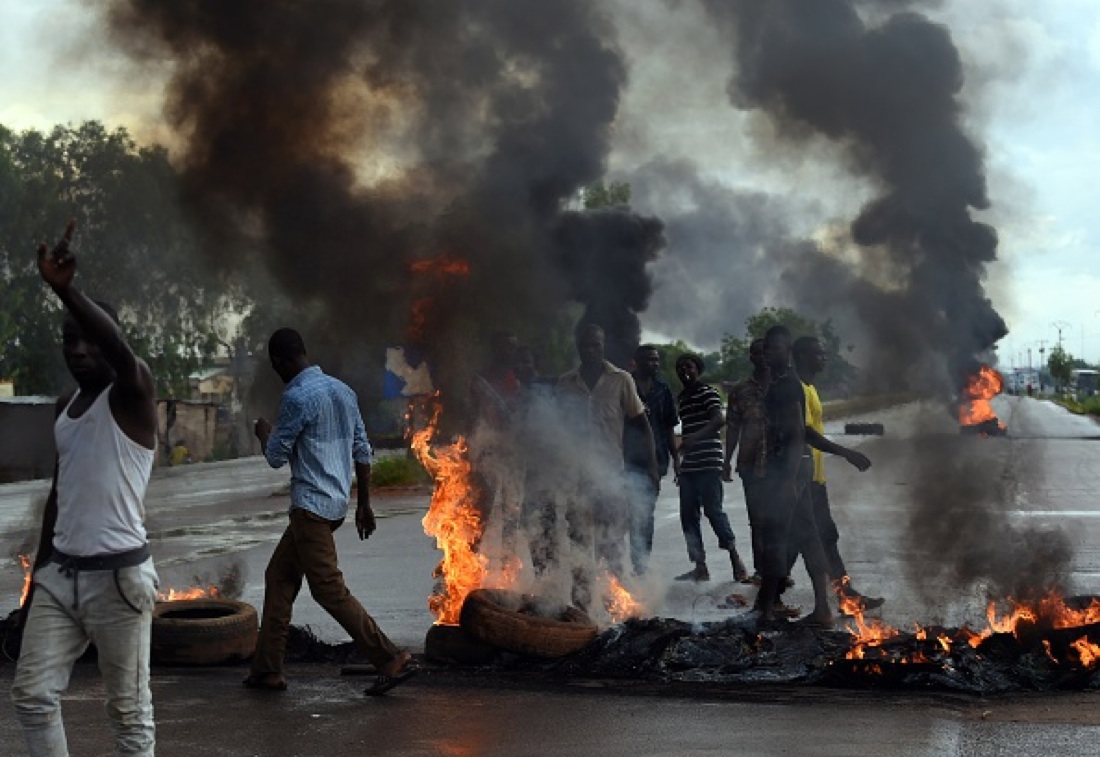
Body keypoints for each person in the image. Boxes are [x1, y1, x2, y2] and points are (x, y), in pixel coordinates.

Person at [12, 221, 160, 756]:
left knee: (129, 714)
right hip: (60, 579)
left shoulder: (132, 396)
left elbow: (118, 349)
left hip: (120, 580)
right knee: (31, 696)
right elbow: (59, 496)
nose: (77, 351)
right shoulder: (64, 409)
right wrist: (34, 591)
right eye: (68, 342)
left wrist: (65, 291)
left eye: (87, 341)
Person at [247, 328, 415, 696]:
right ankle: (267, 670)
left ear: (279, 360)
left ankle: (387, 656)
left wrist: (264, 432)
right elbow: (362, 449)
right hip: (335, 505)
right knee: (279, 577)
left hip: (311, 509)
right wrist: (364, 504)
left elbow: (275, 456)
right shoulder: (343, 391)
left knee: (328, 590)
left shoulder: (295, 396)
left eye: (274, 365)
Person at [557, 324, 657, 609]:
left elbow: (641, 423)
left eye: (596, 345)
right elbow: (557, 428)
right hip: (576, 477)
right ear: (578, 346)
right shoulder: (566, 383)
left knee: (611, 543)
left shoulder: (622, 380)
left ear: (603, 346)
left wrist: (651, 466)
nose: (590, 350)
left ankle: (617, 606)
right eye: (585, 345)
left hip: (610, 475)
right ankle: (581, 606)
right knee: (577, 541)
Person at [792, 336, 882, 612]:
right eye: (819, 354)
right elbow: (806, 433)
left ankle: (846, 596)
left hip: (815, 477)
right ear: (804, 356)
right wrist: (847, 453)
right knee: (809, 541)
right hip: (800, 478)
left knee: (824, 538)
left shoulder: (810, 388)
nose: (824, 358)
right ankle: (768, 604)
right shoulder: (797, 388)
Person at [752, 325, 833, 627]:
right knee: (809, 537)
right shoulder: (781, 383)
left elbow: (799, 433)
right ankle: (821, 609)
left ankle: (765, 610)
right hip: (793, 469)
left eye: (774, 348)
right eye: (765, 348)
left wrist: (786, 481)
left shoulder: (786, 385)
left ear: (788, 352)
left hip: (789, 470)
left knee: (775, 539)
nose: (767, 353)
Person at [673, 353, 748, 583]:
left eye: (689, 366)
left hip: (709, 461)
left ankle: (736, 560)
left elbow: (718, 420)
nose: (685, 370)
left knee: (714, 512)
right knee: (688, 516)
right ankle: (700, 566)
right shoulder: (683, 398)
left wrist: (695, 437)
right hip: (690, 465)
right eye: (681, 367)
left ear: (699, 369)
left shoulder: (708, 392)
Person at [624, 345, 679, 575]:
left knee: (646, 512)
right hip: (627, 459)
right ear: (636, 361)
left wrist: (677, 459)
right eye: (648, 360)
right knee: (628, 511)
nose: (654, 364)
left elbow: (668, 427)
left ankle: (641, 564)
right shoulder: (626, 385)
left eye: (656, 360)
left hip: (655, 461)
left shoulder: (663, 389)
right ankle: (626, 562)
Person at [722, 338, 770, 585]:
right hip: (750, 464)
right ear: (751, 357)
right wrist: (727, 460)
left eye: (765, 352)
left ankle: (780, 571)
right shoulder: (740, 391)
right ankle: (762, 571)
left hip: (779, 463)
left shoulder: (785, 386)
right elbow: (732, 428)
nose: (761, 357)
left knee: (780, 519)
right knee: (757, 520)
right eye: (756, 353)